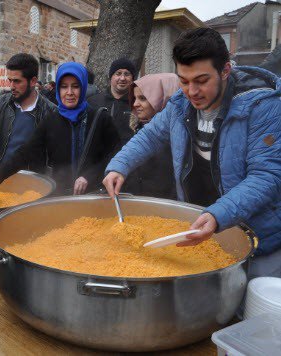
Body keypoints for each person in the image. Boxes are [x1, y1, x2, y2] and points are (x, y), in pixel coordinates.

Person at [103, 28, 281, 279]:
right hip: (204, 227)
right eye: (184, 81)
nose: (192, 91)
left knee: (252, 305)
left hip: (260, 237)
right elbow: (151, 135)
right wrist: (119, 165)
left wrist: (218, 214)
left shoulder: (263, 105)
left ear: (225, 71)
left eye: (201, 80)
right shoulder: (180, 103)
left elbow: (266, 176)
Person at [0, 62, 118, 195]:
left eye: (75, 86)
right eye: (64, 87)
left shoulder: (100, 118)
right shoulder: (51, 120)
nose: (69, 92)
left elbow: (115, 155)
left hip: (93, 196)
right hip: (60, 195)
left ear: (83, 88)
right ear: (58, 89)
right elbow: (26, 151)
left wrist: (89, 176)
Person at [120, 73, 179, 199]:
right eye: (134, 98)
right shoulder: (136, 127)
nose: (135, 104)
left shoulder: (177, 134)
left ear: (162, 98)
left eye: (142, 98)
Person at [88, 58, 136, 147]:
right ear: (111, 77)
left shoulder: (137, 105)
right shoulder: (93, 102)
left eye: (127, 74)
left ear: (132, 79)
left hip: (128, 158)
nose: (122, 78)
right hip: (98, 158)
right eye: (118, 73)